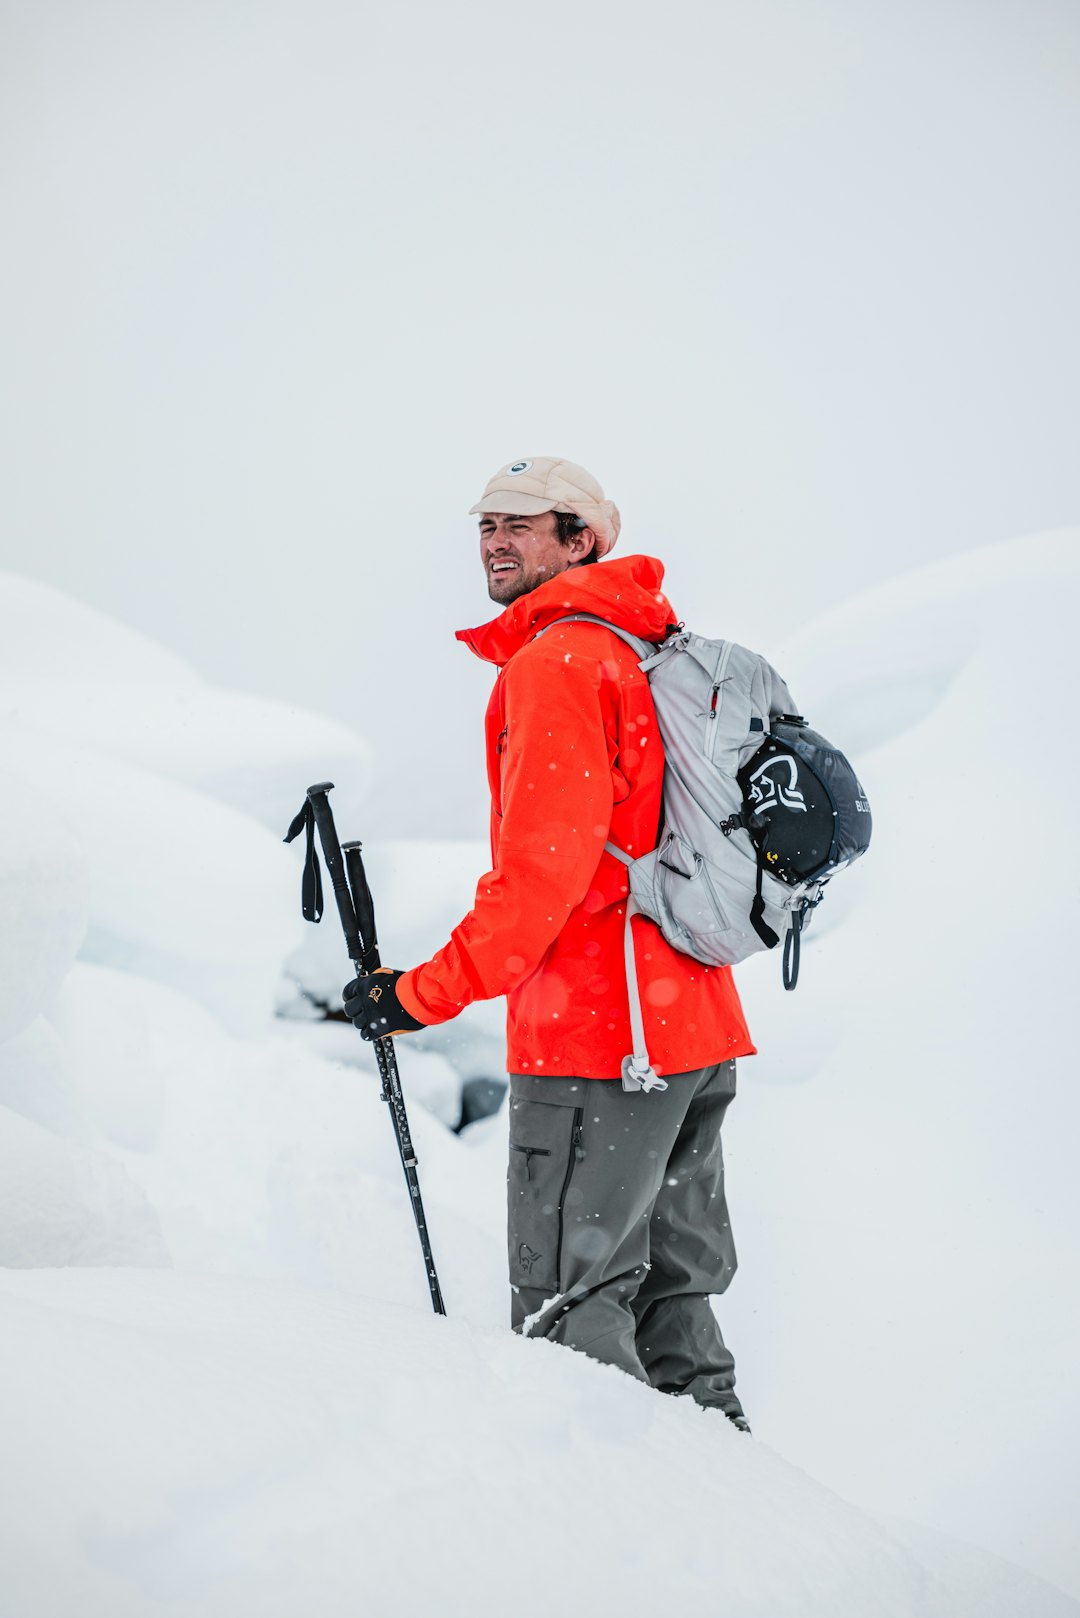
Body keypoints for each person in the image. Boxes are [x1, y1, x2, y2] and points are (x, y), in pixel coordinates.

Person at [344, 457, 755, 1430]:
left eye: (524, 524)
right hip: (690, 1032)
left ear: (583, 540)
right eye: (486, 524)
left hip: (601, 1050)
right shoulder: (651, 650)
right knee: (673, 1303)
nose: (495, 540)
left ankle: (613, 1549)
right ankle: (742, 1535)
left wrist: (414, 998)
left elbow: (538, 883)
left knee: (573, 1313)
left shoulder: (562, 664)